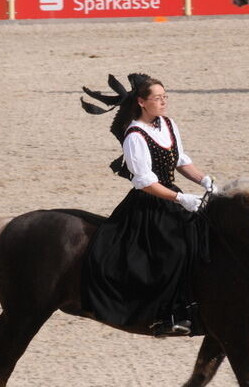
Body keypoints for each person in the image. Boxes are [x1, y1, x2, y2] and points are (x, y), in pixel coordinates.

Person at [80, 74, 217, 337]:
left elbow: (180, 160)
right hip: (149, 204)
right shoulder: (135, 136)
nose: (164, 102)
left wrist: (205, 181)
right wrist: (181, 199)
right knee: (175, 248)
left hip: (170, 194)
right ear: (142, 102)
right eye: (158, 98)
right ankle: (168, 315)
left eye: (165, 97)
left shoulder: (168, 124)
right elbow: (144, 182)